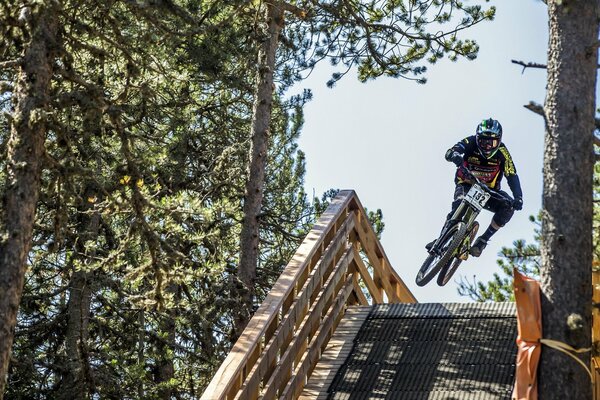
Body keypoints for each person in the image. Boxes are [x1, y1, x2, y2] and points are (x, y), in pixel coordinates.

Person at [428, 117, 523, 257]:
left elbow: (512, 174)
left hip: (489, 191)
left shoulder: (503, 152)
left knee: (508, 208)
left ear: (499, 141)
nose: (487, 146)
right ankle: (441, 239)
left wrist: (518, 197)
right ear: (477, 138)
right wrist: (452, 155)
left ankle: (482, 241)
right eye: (483, 141)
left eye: (492, 142)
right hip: (466, 183)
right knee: (458, 205)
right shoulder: (470, 141)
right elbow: (453, 150)